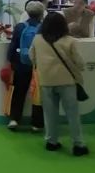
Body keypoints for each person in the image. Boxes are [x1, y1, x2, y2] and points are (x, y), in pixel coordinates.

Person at [30, 11, 89, 156]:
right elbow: (79, 62)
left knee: (49, 114)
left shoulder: (37, 39)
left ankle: (51, 141)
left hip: (46, 81)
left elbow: (31, 56)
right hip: (66, 81)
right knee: (72, 114)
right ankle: (78, 144)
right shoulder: (70, 41)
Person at [5, 1, 45, 132]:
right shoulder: (44, 28)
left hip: (21, 64)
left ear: (27, 12)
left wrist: (12, 61)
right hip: (38, 66)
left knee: (18, 92)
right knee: (38, 95)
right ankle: (37, 123)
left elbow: (13, 46)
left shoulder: (20, 27)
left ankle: (14, 119)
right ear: (41, 13)